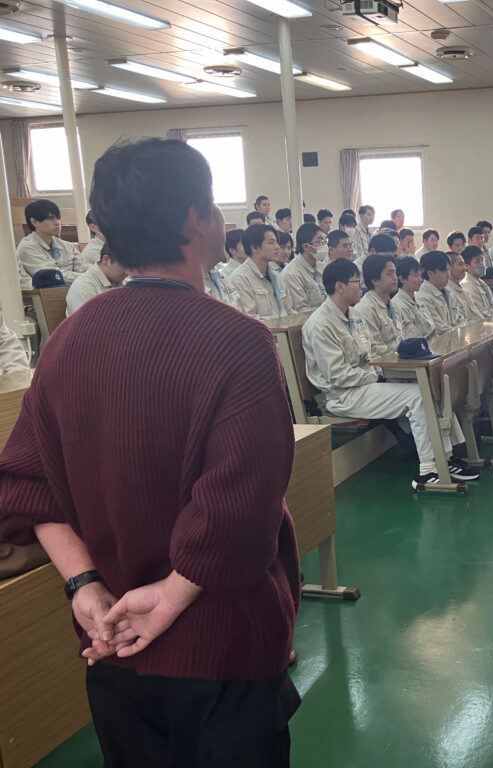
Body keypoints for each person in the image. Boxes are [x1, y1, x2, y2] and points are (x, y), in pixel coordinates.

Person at [0, 137, 301, 765]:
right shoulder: (239, 342)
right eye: (212, 204)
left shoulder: (67, 342)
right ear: (196, 218)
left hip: (111, 640)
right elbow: (240, 512)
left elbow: (27, 486)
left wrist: (84, 585)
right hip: (222, 647)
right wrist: (168, 597)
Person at [302, 258, 478, 487]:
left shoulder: (353, 315)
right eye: (356, 281)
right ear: (340, 286)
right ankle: (427, 470)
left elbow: (371, 356)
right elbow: (338, 375)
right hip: (343, 395)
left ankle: (446, 457)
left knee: (432, 387)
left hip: (367, 384)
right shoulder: (320, 325)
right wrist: (381, 376)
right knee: (418, 397)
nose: (361, 286)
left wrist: (385, 375)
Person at [16, 199, 89, 288]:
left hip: (75, 289)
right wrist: (89, 277)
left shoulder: (68, 246)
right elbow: (53, 277)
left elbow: (84, 269)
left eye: (58, 218)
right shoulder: (27, 248)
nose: (57, 222)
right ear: (34, 222)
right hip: (47, 294)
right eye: (51, 218)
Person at [225, 223, 286, 319]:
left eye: (277, 242)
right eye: (271, 243)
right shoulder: (240, 278)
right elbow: (249, 318)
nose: (277, 247)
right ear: (254, 248)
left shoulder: (276, 274)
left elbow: (289, 309)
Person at [354, 253, 403, 357]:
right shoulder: (365, 309)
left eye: (395, 273)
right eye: (390, 274)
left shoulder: (394, 306)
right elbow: (375, 349)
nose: (395, 278)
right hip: (386, 364)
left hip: (403, 360)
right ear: (375, 280)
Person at [66, 245, 128, 316]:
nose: (128, 272)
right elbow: (90, 322)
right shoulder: (83, 287)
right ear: (106, 260)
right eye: (125, 266)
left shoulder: (123, 281)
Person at [279, 222, 327, 314]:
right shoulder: (292, 274)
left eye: (324, 241)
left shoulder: (322, 267)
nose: (324, 245)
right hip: (310, 319)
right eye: (319, 241)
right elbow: (302, 311)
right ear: (306, 246)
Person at [393, 256, 434, 339]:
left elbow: (432, 328)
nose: (420, 279)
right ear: (402, 279)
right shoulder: (398, 306)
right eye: (416, 276)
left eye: (420, 275)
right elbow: (412, 337)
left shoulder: (419, 300)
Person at [416, 250, 457, 334]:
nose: (449, 276)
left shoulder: (449, 292)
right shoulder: (423, 298)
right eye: (444, 271)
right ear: (430, 273)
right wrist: (461, 331)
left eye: (449, 270)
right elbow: (441, 330)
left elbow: (461, 319)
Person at [460, 245, 493, 319]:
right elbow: (481, 312)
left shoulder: (481, 282)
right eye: (477, 261)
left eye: (482, 260)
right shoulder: (467, 285)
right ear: (467, 266)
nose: (482, 264)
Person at [446, 252, 472, 326]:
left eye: (464, 264)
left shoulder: (464, 291)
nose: (465, 268)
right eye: (460, 264)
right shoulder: (448, 292)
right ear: (449, 268)